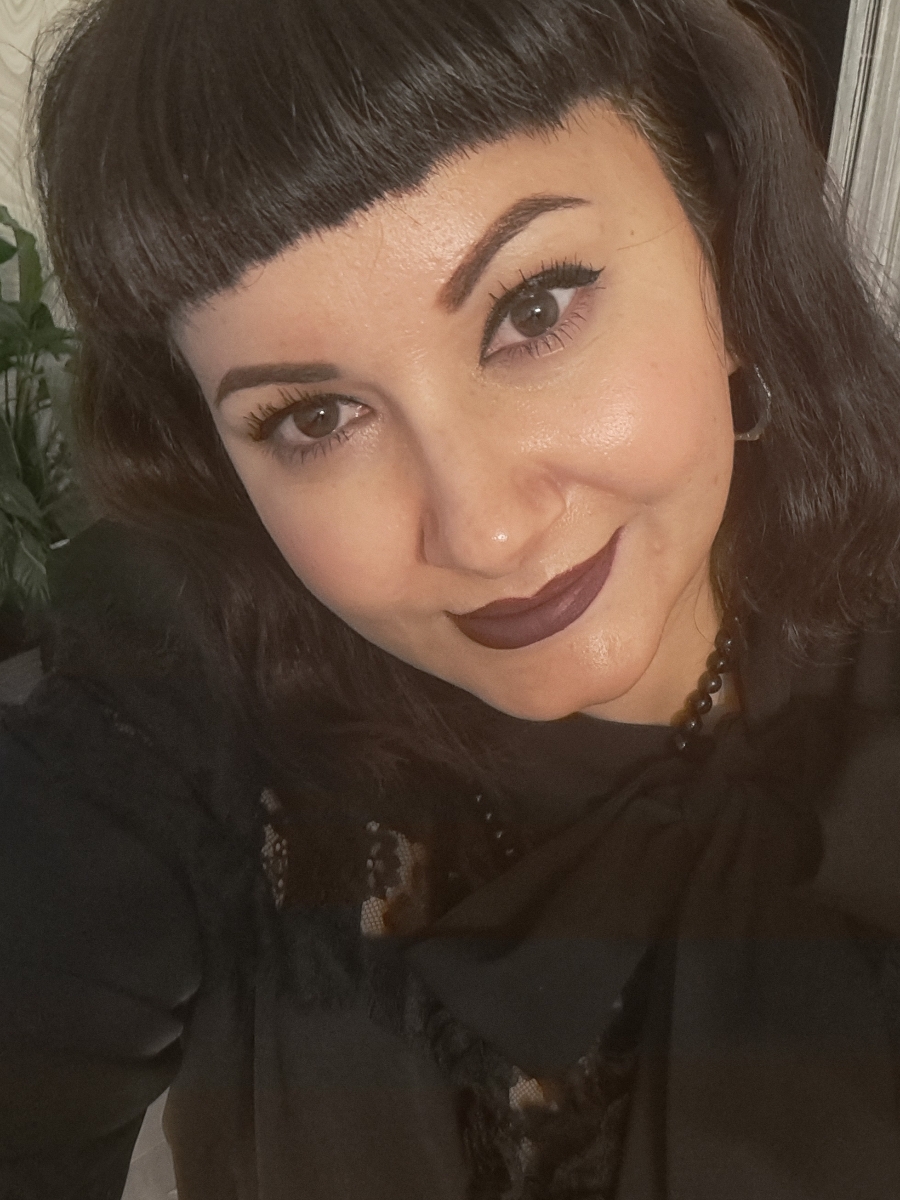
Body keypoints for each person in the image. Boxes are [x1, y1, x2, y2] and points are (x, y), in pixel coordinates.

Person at [4, 0, 900, 1196]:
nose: (484, 531)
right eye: (315, 418)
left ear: (723, 247)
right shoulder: (182, 717)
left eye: (535, 310)